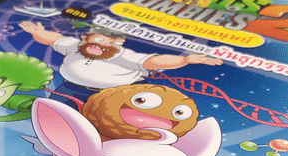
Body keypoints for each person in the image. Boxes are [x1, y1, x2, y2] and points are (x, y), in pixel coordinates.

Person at [19, 21, 221, 102]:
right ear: (86, 37)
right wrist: (37, 32)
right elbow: (52, 39)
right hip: (69, 89)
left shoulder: (124, 56)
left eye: (110, 41)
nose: (100, 44)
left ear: (119, 42)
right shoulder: (74, 45)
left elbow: (153, 62)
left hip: (112, 96)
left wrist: (184, 60)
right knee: (55, 116)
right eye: (97, 39)